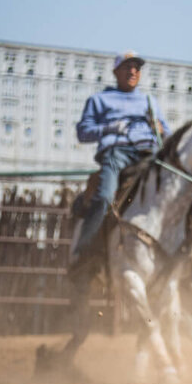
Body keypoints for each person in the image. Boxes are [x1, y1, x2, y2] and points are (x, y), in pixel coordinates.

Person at [71, 51, 170, 265]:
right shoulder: (99, 100)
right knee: (105, 197)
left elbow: (168, 136)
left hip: (149, 156)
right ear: (116, 72)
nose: (133, 71)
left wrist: (160, 130)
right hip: (117, 155)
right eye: (127, 67)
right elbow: (83, 132)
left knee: (182, 193)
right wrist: (109, 128)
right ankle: (84, 254)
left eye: (137, 67)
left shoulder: (149, 102)